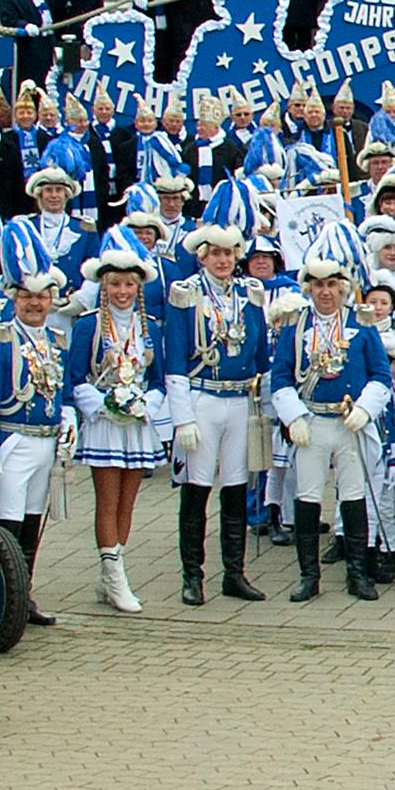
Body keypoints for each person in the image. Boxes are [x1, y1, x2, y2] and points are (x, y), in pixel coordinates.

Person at [272, 251, 392, 602]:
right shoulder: (295, 326)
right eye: (318, 285)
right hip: (311, 420)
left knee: (354, 496)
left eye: (332, 286)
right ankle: (309, 576)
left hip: (348, 422)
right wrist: (293, 417)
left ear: (343, 288)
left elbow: (381, 374)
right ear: (309, 288)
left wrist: (366, 409)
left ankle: (357, 574)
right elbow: (280, 376)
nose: (325, 293)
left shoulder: (362, 325)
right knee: (308, 497)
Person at [0, 265, 75, 627]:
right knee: (6, 524)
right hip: (11, 441)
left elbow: (64, 392)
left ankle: (22, 596)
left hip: (43, 442)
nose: (35, 304)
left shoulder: (55, 340)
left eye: (42, 297)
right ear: (14, 298)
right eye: (26, 296)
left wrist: (68, 425)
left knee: (31, 524)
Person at [167, 226, 270, 604]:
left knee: (236, 485)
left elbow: (261, 358)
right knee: (196, 487)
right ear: (202, 256)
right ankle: (192, 575)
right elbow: (175, 358)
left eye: (229, 254)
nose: (223, 261)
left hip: (239, 399)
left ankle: (234, 573)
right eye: (216, 254)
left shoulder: (250, 294)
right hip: (202, 398)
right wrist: (183, 418)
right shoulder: (186, 294)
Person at [70, 252, 177, 613]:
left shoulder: (149, 326)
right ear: (103, 286)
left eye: (129, 284)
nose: (122, 291)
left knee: (128, 501)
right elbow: (75, 378)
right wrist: (104, 406)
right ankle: (115, 577)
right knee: (107, 499)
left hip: (136, 423)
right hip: (104, 423)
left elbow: (159, 378)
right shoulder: (88, 326)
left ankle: (110, 573)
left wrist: (146, 402)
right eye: (115, 284)